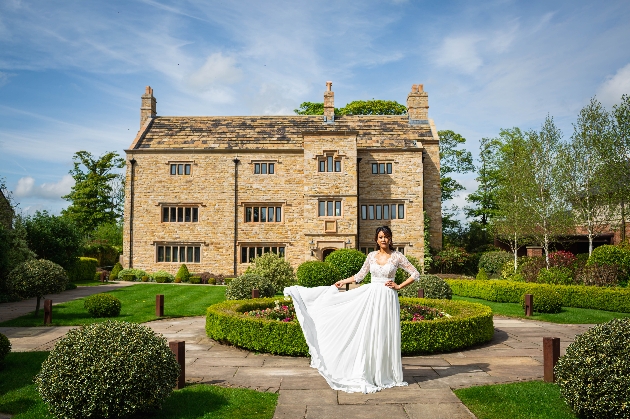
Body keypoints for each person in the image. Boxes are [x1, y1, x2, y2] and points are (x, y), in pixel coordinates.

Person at [283, 226, 420, 394]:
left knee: (385, 333)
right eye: (380, 237)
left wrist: (398, 286)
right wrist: (343, 281)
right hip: (372, 297)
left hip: (388, 298)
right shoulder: (371, 256)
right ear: (376, 240)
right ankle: (370, 371)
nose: (383, 240)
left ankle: (386, 373)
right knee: (371, 333)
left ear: (390, 239)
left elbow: (415, 273)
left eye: (386, 237)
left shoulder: (397, 256)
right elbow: (360, 276)